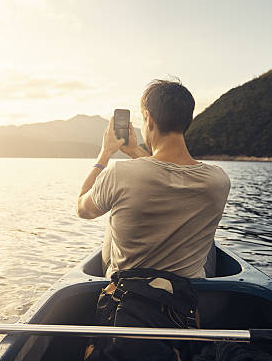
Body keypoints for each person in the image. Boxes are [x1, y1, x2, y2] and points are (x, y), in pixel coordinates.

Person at [76, 79, 230, 361]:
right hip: (184, 301)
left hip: (127, 293)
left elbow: (83, 208)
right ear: (188, 120)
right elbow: (167, 171)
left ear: (147, 118)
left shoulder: (120, 174)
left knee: (112, 218)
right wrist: (136, 152)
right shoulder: (218, 180)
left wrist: (105, 155)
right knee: (208, 242)